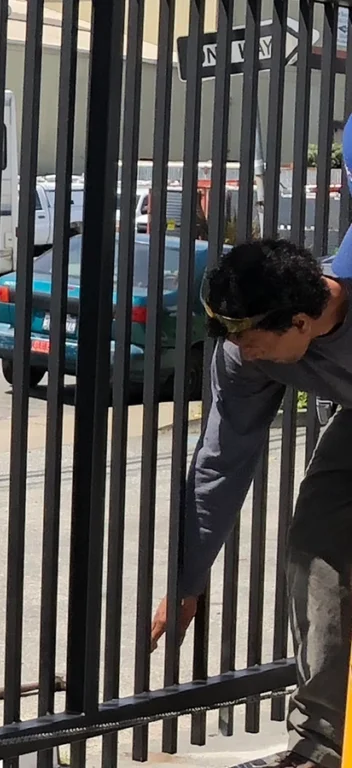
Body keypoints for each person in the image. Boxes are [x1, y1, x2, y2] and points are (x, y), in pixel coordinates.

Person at [149, 238, 352, 768]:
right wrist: (186, 581)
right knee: (315, 547)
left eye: (252, 339)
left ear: (303, 322)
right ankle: (318, 745)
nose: (242, 351)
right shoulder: (246, 358)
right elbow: (220, 462)